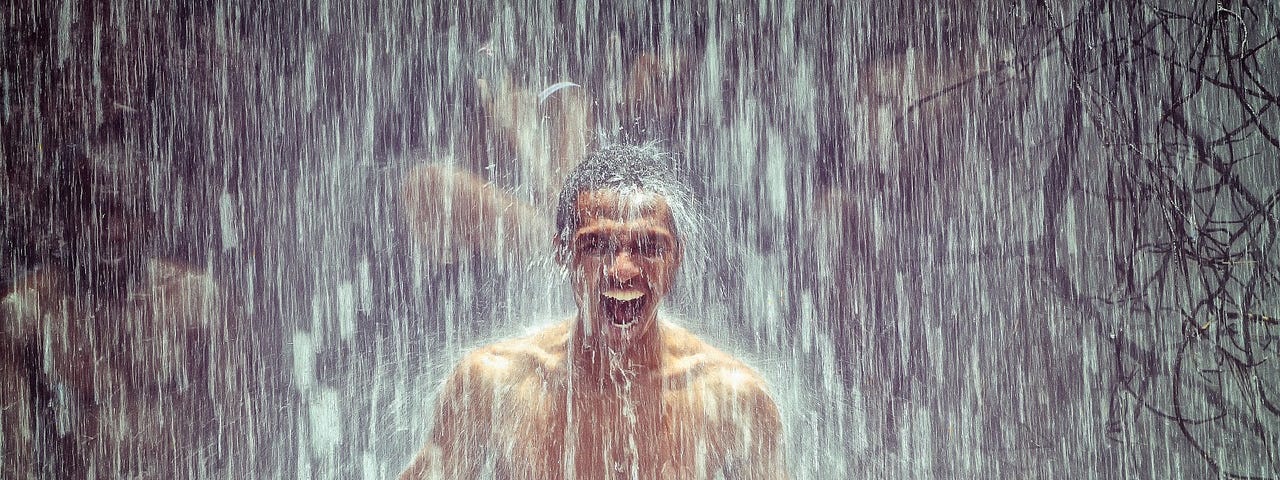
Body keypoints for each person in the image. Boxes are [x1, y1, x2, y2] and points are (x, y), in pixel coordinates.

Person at [400, 144, 787, 479]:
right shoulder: (493, 387)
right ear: (563, 252)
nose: (622, 270)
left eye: (649, 247)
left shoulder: (732, 399)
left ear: (676, 258)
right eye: (597, 245)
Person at [0, 108, 245, 478]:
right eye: (97, 210)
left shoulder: (195, 302)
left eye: (127, 211)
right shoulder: (26, 317)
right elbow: (15, 460)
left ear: (148, 217)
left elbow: (241, 437)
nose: (114, 230)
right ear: (66, 216)